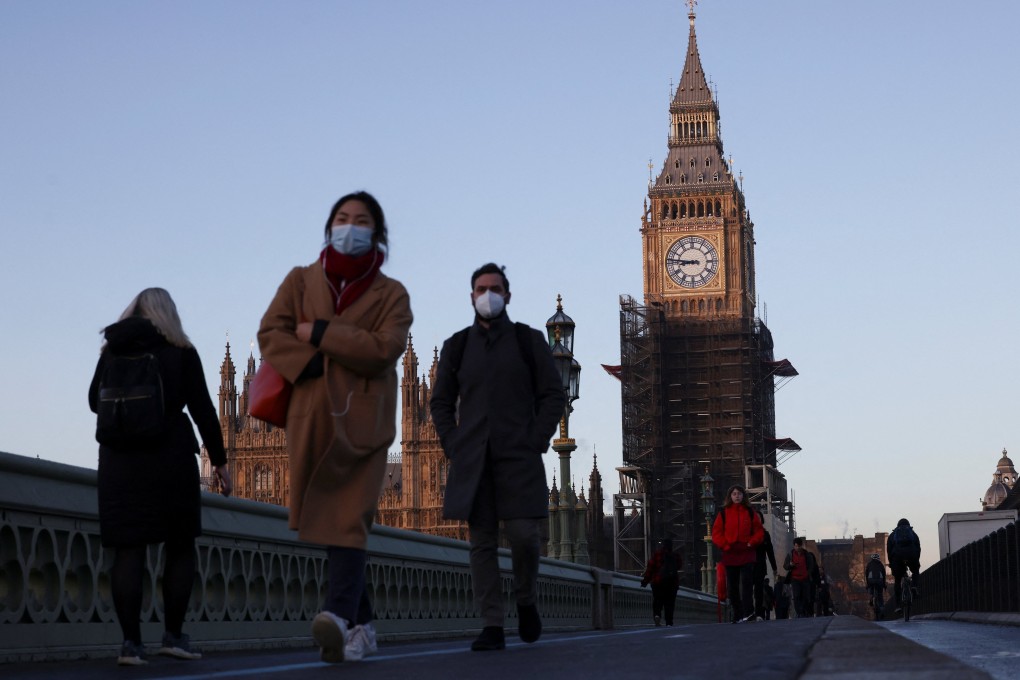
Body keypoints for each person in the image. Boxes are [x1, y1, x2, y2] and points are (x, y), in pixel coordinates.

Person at [258, 191, 412, 663]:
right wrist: (312, 364)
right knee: (331, 523)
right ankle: (362, 625)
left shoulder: (393, 294)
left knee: (347, 517)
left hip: (366, 422)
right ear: (329, 227)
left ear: (377, 232)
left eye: (361, 220)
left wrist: (319, 333)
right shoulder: (300, 281)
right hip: (312, 418)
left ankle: (337, 615)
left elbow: (383, 350)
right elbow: (271, 333)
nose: (351, 226)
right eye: (342, 218)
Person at [89, 288, 232, 666]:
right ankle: (173, 635)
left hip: (119, 464)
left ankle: (130, 644)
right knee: (180, 547)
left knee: (128, 551)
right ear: (169, 315)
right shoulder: (181, 351)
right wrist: (219, 462)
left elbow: (93, 401)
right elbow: (203, 409)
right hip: (169, 460)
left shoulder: (112, 351)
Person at [430, 263, 565, 651]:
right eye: (481, 289)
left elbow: (553, 394)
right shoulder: (457, 346)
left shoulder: (527, 341)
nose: (487, 295)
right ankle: (491, 624)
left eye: (494, 288)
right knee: (482, 544)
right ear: (472, 296)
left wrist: (537, 439)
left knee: (525, 537)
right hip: (474, 459)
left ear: (507, 295)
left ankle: (525, 600)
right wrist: (453, 444)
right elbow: (440, 402)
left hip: (518, 455)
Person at [711, 484, 764, 623]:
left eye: (739, 493)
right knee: (732, 586)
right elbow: (716, 533)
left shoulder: (750, 512)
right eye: (734, 494)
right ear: (730, 497)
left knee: (747, 584)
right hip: (730, 552)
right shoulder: (723, 513)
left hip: (747, 551)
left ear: (743, 496)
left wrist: (751, 542)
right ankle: (738, 613)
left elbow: (759, 531)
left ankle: (748, 612)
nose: (737, 496)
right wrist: (725, 545)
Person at [641, 538, 682, 626]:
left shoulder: (657, 554)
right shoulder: (676, 555)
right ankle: (669, 622)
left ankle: (657, 615)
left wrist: (645, 581)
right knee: (670, 604)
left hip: (658, 582)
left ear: (663, 545)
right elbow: (679, 566)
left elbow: (650, 569)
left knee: (657, 601)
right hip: (672, 583)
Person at [887, 518, 921, 613]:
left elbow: (889, 551)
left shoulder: (892, 535)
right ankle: (914, 586)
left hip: (897, 557)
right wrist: (916, 560)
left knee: (897, 580)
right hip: (911, 555)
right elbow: (918, 547)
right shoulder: (913, 534)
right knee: (915, 571)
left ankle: (898, 605)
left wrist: (891, 563)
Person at [782, 537, 820, 618]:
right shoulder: (790, 555)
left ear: (801, 546)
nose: (798, 548)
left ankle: (804, 611)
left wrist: (808, 573)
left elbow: (811, 566)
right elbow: (785, 566)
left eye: (799, 546)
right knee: (796, 595)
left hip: (805, 579)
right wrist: (790, 565)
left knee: (806, 596)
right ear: (794, 546)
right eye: (796, 546)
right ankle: (799, 612)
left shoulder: (807, 555)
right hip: (795, 579)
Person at [753, 510, 777, 620]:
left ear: (762, 520)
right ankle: (748, 612)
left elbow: (770, 552)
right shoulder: (747, 534)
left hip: (760, 565)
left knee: (758, 590)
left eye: (759, 517)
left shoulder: (765, 535)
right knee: (747, 589)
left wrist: (774, 568)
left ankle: (759, 613)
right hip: (748, 565)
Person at [865, 553, 887, 620]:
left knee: (871, 589)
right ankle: (882, 609)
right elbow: (884, 575)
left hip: (871, 581)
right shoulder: (881, 564)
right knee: (880, 596)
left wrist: (867, 584)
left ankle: (871, 598)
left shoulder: (869, 564)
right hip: (879, 581)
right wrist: (884, 584)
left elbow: (866, 574)